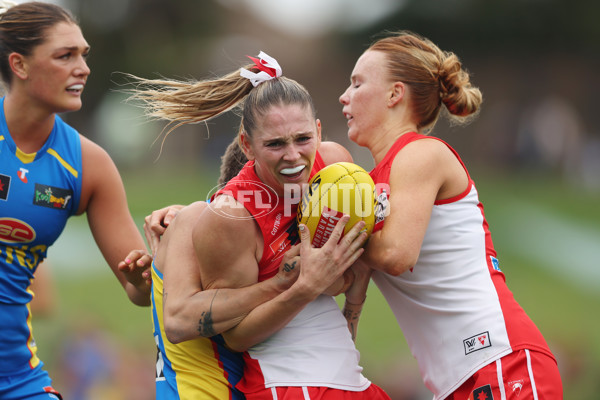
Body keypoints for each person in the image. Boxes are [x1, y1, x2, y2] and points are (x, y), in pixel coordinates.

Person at [131, 52, 390, 399]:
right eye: (275, 144)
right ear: (247, 146)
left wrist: (348, 293)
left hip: (341, 377)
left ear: (318, 130)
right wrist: (299, 282)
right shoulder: (224, 217)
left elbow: (340, 278)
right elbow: (185, 324)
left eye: (302, 139)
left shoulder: (333, 170)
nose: (293, 157)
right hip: (219, 388)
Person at [339, 30, 563, 399]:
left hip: (501, 361)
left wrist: (333, 229)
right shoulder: (370, 182)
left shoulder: (420, 153)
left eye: (358, 83)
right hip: (458, 379)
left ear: (395, 94)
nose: (344, 97)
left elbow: (396, 254)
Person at [0, 2, 152, 398]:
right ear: (19, 65)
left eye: (83, 54)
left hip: (17, 380)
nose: (82, 68)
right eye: (65, 56)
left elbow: (139, 292)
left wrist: (143, 277)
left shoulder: (90, 165)